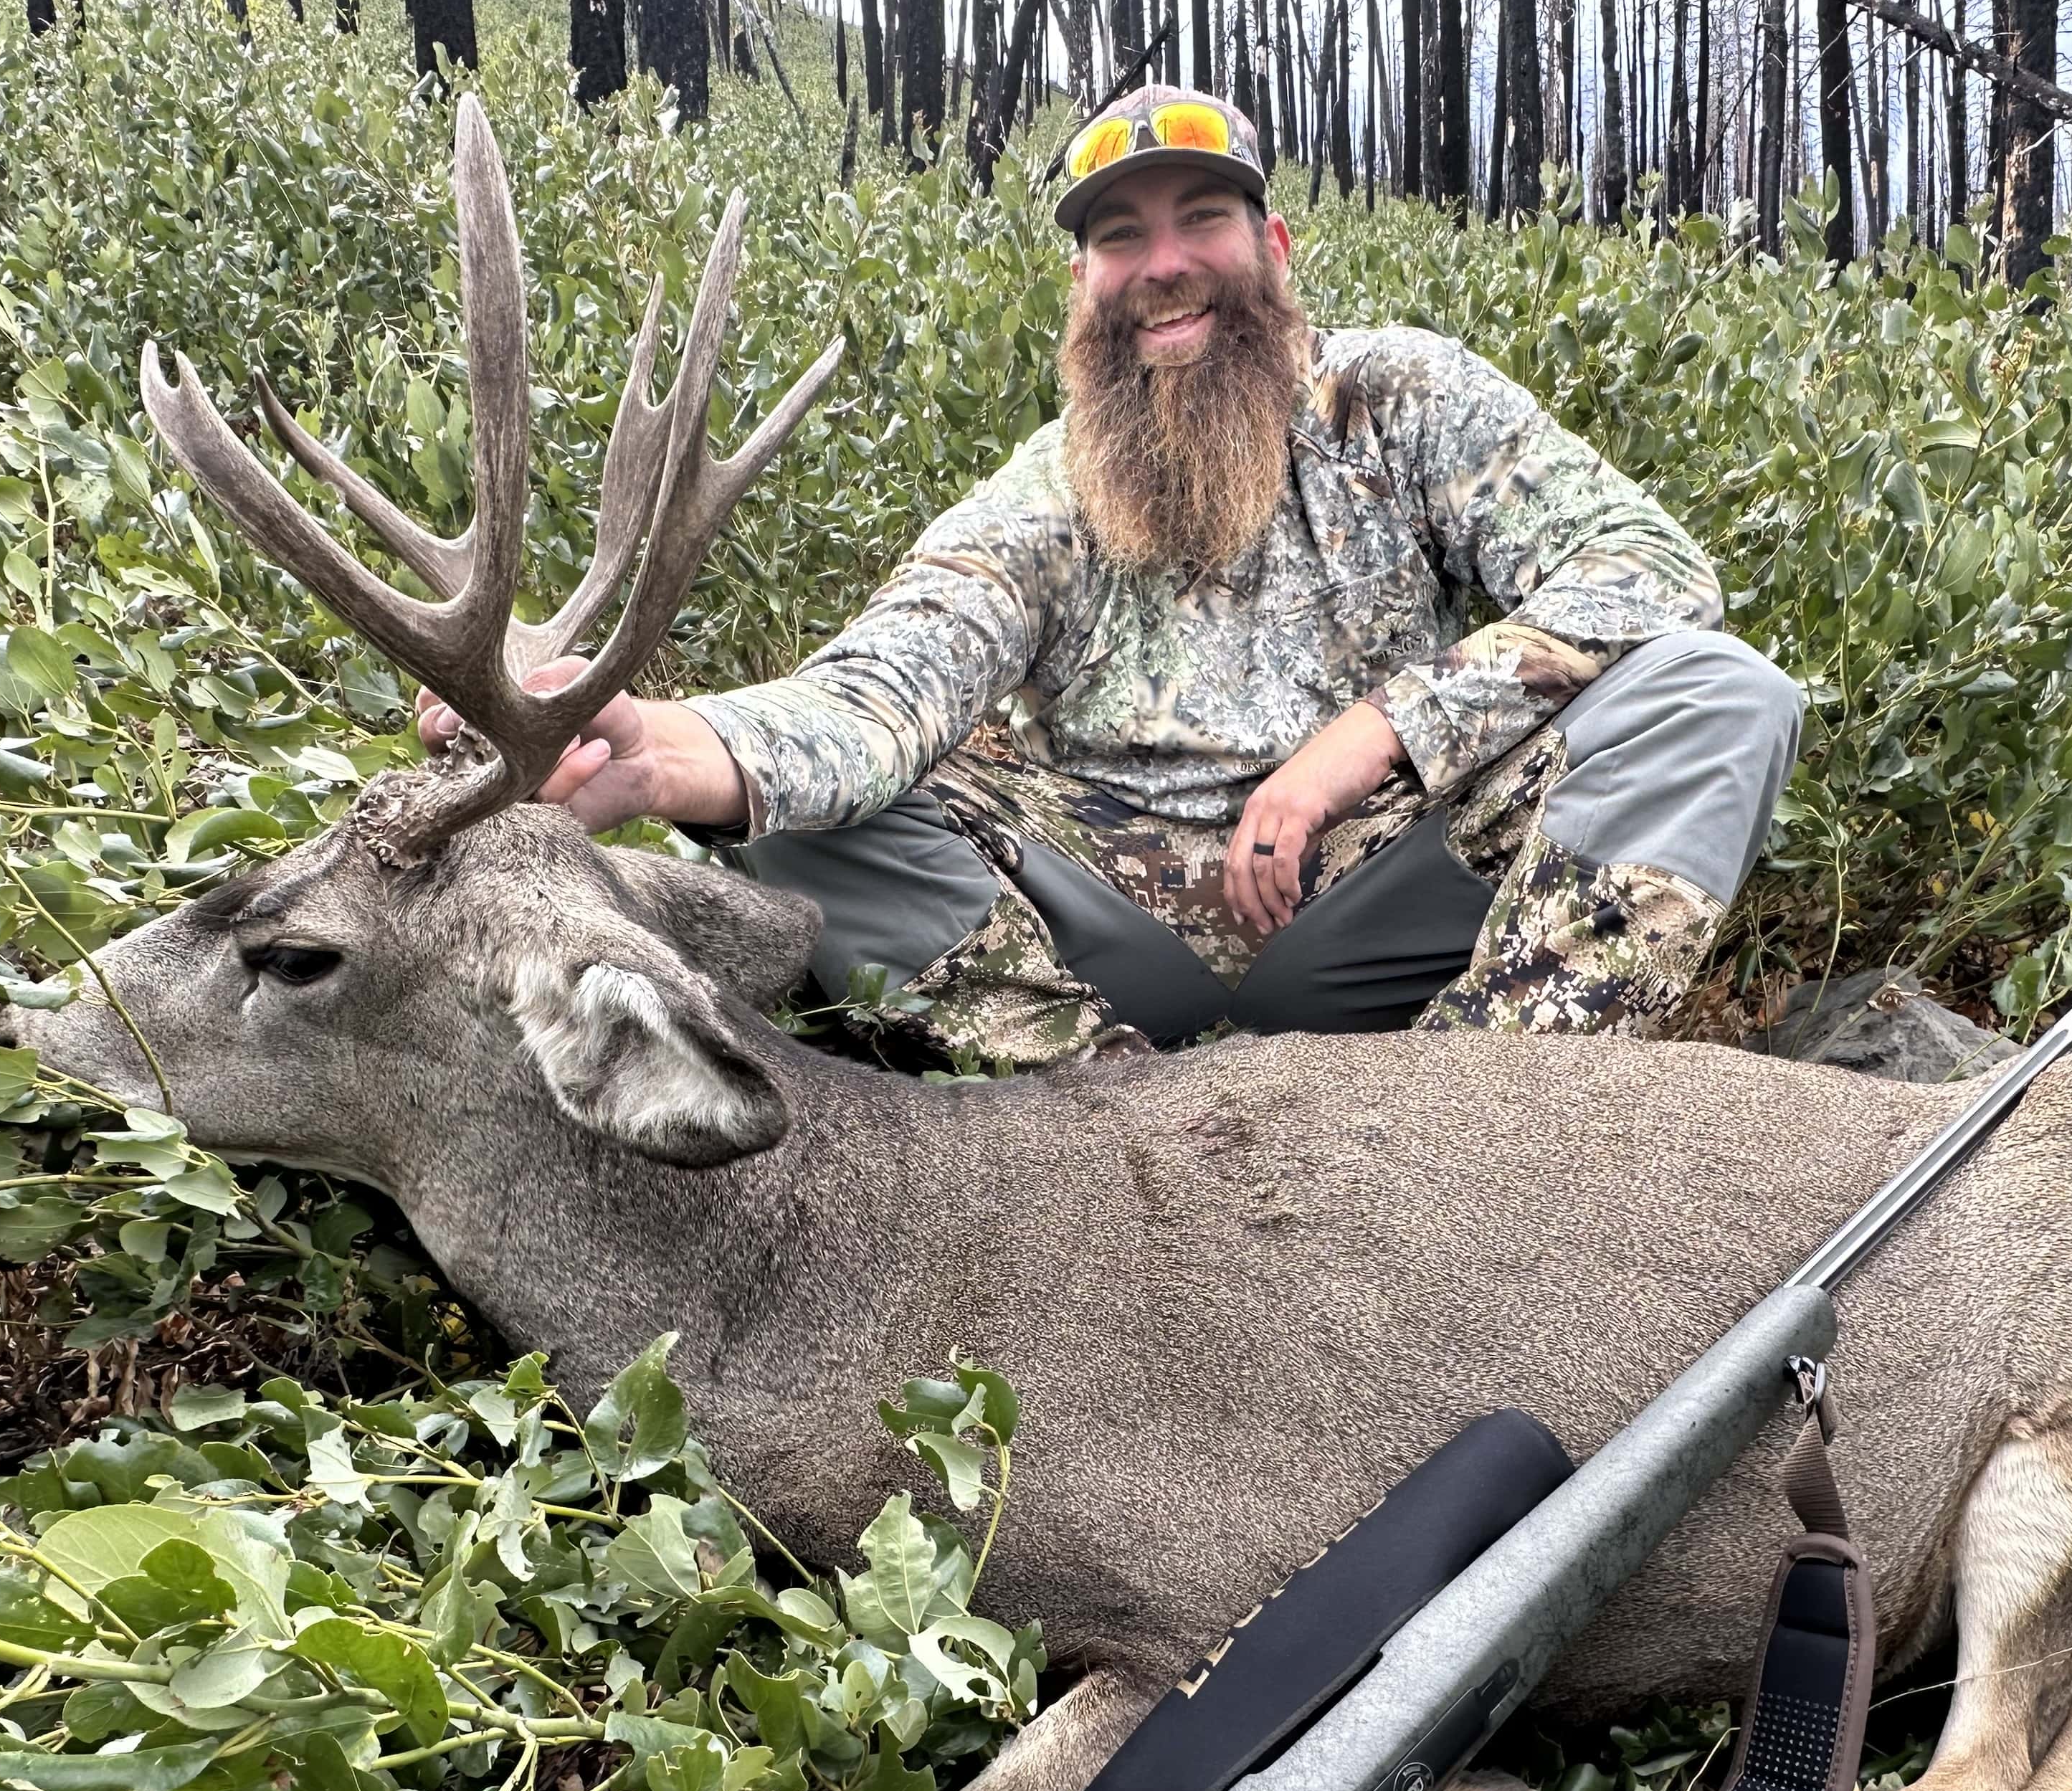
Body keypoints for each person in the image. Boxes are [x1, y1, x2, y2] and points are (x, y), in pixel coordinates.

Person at [419, 86, 1805, 1068]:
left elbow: (1650, 570)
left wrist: (1370, 738)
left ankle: (1479, 1118)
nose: (1165, 266)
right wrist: (663, 749)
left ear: (1272, 248)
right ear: (1083, 283)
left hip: (1371, 894)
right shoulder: (1047, 489)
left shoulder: (1398, 399)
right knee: (809, 814)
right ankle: (1115, 1122)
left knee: (1718, 697)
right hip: (1112, 929)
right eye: (1120, 238)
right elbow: (882, 686)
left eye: (1201, 218)